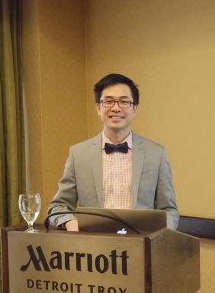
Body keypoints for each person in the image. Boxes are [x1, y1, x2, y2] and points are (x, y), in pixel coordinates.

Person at [46, 73, 179, 231]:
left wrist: (157, 235)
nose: (116, 108)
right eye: (108, 101)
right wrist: (71, 223)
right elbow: (58, 206)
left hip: (142, 243)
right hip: (93, 244)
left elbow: (169, 211)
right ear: (98, 107)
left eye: (124, 102)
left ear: (135, 108)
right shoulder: (78, 154)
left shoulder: (156, 154)